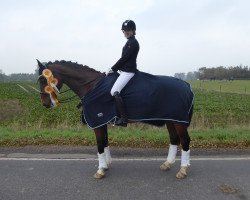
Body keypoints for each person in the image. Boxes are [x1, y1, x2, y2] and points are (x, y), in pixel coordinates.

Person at [108, 19, 140, 127]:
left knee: (114, 91)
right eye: (124, 30)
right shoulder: (129, 42)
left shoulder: (133, 43)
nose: (126, 32)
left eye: (128, 30)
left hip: (128, 72)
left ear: (133, 30)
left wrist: (113, 68)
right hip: (124, 71)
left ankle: (123, 119)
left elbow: (125, 58)